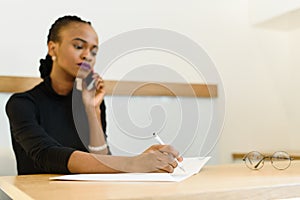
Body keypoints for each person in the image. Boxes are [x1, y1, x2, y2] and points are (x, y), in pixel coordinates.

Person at [5, 15, 182, 175]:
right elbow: (46, 154)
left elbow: (101, 157)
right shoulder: (22, 104)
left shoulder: (89, 102)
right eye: (79, 46)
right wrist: (132, 163)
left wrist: (91, 109)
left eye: (93, 51)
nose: (87, 56)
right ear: (53, 48)